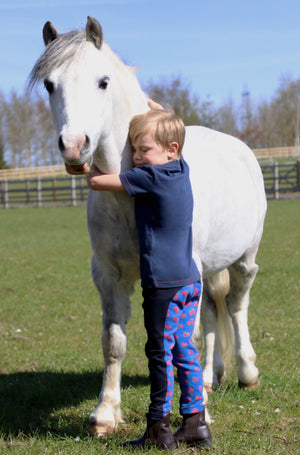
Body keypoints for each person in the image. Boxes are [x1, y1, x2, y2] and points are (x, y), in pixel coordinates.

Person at [86, 107, 212, 450]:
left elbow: (97, 182)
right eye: (134, 150)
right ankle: (195, 423)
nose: (138, 157)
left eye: (144, 150)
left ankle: (159, 427)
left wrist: (84, 165)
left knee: (159, 353)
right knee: (185, 349)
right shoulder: (181, 169)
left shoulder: (147, 178)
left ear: (170, 149)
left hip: (163, 287)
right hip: (190, 281)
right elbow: (177, 135)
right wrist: (165, 113)